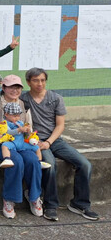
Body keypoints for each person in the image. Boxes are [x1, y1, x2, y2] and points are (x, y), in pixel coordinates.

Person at [21, 67, 99, 222]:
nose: (40, 84)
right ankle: (50, 205)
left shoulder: (55, 98)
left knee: (85, 164)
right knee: (49, 165)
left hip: (55, 140)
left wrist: (49, 142)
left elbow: (60, 125)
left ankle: (79, 203)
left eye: (43, 80)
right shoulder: (24, 100)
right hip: (35, 141)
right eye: (36, 80)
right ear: (28, 82)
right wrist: (37, 142)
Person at [0, 74, 43, 219]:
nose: (15, 90)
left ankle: (34, 196)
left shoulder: (24, 105)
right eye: (11, 87)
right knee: (16, 161)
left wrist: (30, 136)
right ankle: (9, 199)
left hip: (20, 143)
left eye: (18, 87)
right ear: (4, 88)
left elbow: (29, 126)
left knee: (33, 160)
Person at [0, 102, 51, 170]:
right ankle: (7, 159)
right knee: (4, 145)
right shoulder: (4, 124)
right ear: (6, 114)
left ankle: (39, 162)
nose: (17, 118)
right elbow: (8, 132)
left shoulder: (20, 123)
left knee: (36, 147)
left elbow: (25, 135)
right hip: (12, 142)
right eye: (14, 116)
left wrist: (28, 130)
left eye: (18, 116)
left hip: (22, 142)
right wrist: (19, 130)